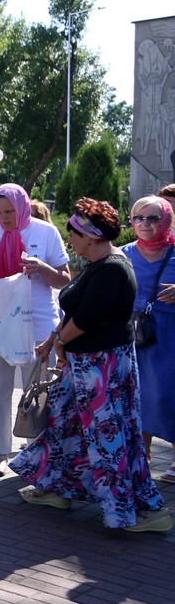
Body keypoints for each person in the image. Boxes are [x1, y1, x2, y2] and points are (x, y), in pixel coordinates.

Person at [11, 199, 170, 533]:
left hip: (101, 368)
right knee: (64, 426)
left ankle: (141, 512)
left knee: (107, 438)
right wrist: (53, 340)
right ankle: (57, 489)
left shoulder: (113, 267)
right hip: (86, 367)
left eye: (75, 234)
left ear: (93, 236)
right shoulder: (100, 264)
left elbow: (86, 318)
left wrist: (61, 342)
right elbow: (76, 309)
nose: (71, 240)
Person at [0, 183, 70, 477]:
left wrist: (41, 267)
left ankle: (35, 451)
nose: (4, 218)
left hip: (37, 325)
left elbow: (64, 278)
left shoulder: (46, 232)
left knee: (37, 391)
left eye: (10, 211)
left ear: (23, 206)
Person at [120, 195, 175, 483]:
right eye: (138, 218)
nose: (145, 224)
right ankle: (143, 454)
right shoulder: (123, 253)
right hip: (133, 333)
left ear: (166, 219)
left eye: (153, 218)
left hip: (169, 333)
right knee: (137, 393)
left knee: (169, 393)